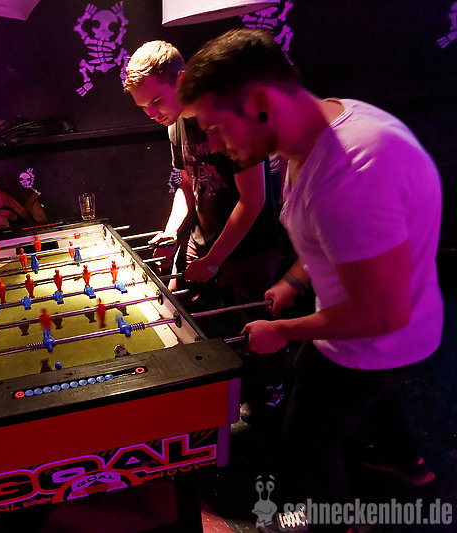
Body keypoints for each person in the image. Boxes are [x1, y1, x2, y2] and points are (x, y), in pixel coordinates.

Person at [178, 28, 442, 519]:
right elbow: (339, 244)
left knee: (305, 436)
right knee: (368, 402)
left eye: (216, 126)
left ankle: (329, 523)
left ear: (260, 103)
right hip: (396, 326)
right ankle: (406, 461)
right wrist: (295, 280)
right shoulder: (329, 123)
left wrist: (282, 331)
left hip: (375, 337)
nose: (213, 144)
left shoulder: (349, 176)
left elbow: (382, 312)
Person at [124, 40, 285, 408]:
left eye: (156, 101)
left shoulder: (227, 119)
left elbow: (253, 200)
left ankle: (272, 389)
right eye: (143, 107)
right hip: (205, 237)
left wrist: (214, 259)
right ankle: (219, 387)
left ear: (182, 80)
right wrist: (172, 230)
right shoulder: (173, 126)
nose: (151, 113)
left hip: (251, 245)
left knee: (256, 324)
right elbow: (187, 186)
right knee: (195, 318)